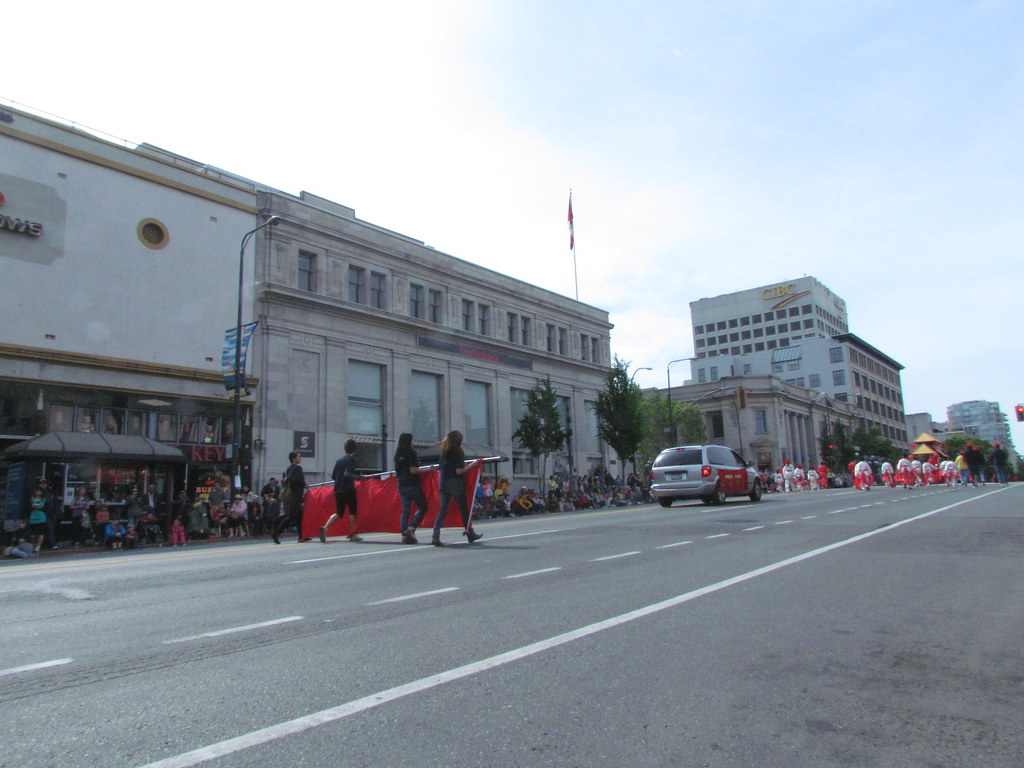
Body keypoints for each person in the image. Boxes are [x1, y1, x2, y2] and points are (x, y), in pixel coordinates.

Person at [431, 430, 483, 546]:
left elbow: (440, 469)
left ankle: (436, 534)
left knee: (443, 510)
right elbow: (459, 471)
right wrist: (473, 465)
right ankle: (470, 533)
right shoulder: (458, 452)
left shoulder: (444, 452)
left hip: (443, 483)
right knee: (464, 510)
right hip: (455, 483)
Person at [319, 439, 362, 543]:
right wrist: (357, 477)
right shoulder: (351, 460)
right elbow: (347, 474)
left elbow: (334, 476)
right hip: (348, 489)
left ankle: (325, 527)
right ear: (354, 450)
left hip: (338, 489)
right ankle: (353, 534)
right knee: (353, 511)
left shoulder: (339, 461)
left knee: (339, 512)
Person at [394, 432, 430, 544]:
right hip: (412, 484)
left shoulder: (398, 454)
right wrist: (428, 470)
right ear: (409, 441)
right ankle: (412, 527)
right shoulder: (411, 452)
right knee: (423, 506)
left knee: (405, 511)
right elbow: (413, 470)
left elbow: (397, 472)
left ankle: (404, 535)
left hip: (401, 485)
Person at [273, 451, 308, 544]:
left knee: (298, 517)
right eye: (298, 456)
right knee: (291, 517)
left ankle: (302, 536)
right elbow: (296, 480)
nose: (300, 458)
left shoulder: (289, 469)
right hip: (295, 496)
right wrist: (304, 484)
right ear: (294, 458)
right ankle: (276, 533)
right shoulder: (298, 468)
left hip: (290, 496)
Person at [28, 487, 48, 554]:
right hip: (33, 517)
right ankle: (32, 545)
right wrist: (36, 506)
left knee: (41, 532)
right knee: (33, 532)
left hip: (41, 517)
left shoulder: (43, 499)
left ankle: (38, 546)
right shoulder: (32, 498)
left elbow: (42, 506)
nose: (38, 492)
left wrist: (37, 506)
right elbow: (32, 505)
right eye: (37, 491)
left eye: (39, 491)